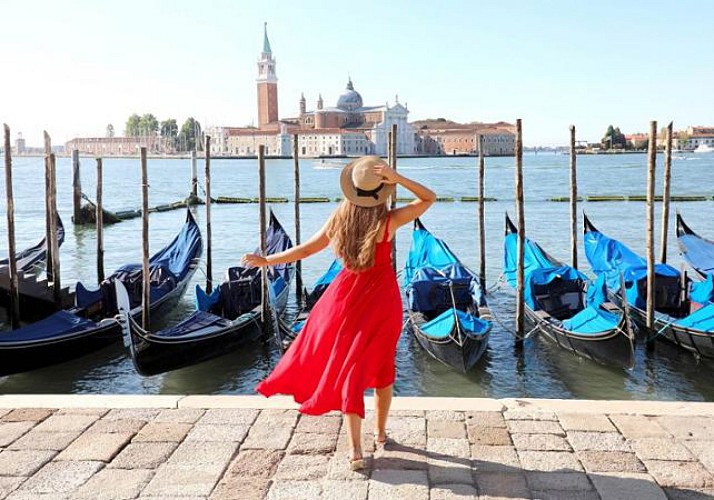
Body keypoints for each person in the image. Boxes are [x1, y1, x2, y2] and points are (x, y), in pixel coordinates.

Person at [242, 155, 436, 470]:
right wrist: (396, 177)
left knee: (351, 369)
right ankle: (381, 433)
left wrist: (267, 261)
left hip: (344, 300)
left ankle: (355, 449)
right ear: (381, 191)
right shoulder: (388, 221)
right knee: (383, 369)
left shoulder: (339, 219)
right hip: (383, 302)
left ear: (352, 190)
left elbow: (305, 250)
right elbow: (429, 197)